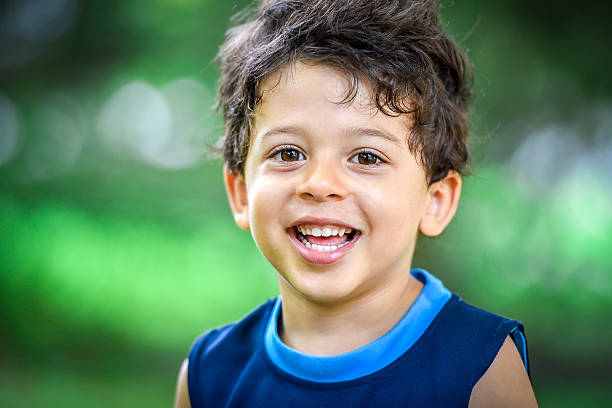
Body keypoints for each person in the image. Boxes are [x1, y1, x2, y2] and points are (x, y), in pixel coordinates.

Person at [174, 0, 537, 406]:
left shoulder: (479, 366)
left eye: (366, 157)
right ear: (241, 192)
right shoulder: (209, 373)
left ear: (434, 202)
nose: (320, 184)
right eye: (289, 153)